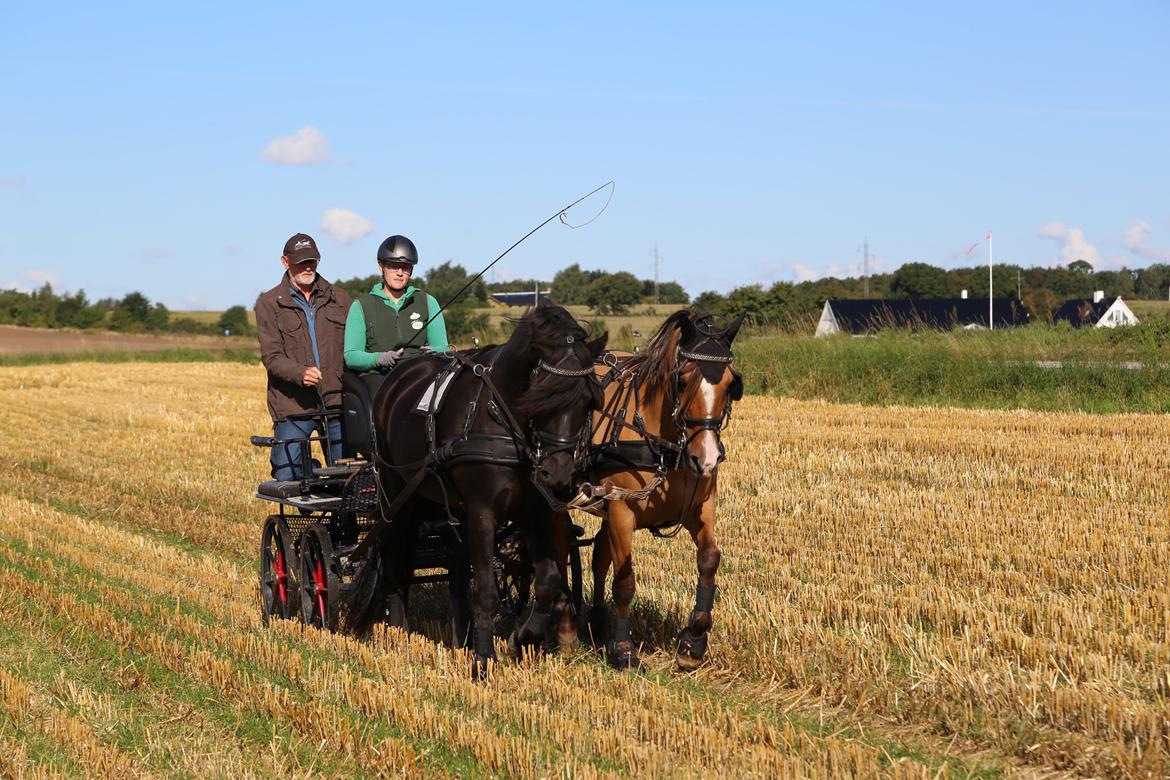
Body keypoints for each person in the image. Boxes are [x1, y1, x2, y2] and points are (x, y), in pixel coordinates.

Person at [255, 232, 352, 480]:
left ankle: (341, 517)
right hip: (293, 404)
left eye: (312, 261)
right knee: (287, 477)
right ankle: (309, 469)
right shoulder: (269, 303)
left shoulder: (340, 299)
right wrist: (300, 373)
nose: (307, 267)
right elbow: (272, 356)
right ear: (285, 262)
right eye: (301, 262)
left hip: (336, 400)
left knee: (347, 477)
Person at [344, 234, 449, 372]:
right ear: (381, 267)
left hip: (419, 373)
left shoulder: (428, 302)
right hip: (378, 375)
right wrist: (378, 358)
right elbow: (351, 355)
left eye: (405, 267)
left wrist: (435, 351)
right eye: (393, 266)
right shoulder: (361, 306)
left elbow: (443, 346)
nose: (400, 273)